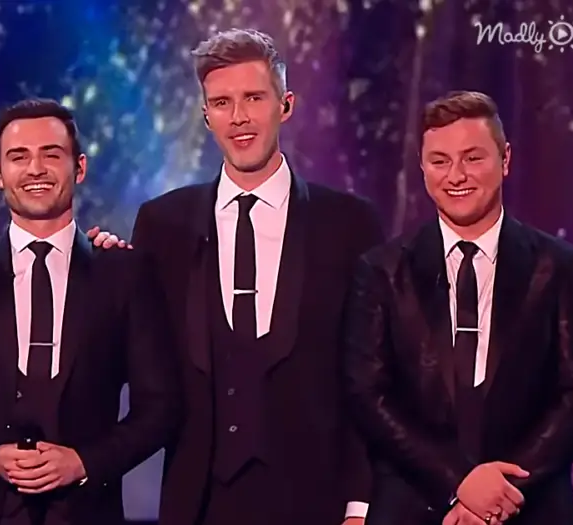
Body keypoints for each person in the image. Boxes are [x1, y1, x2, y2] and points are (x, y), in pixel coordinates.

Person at [129, 29, 383, 525]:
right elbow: (132, 348)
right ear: (206, 116)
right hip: (197, 503)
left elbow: (370, 376)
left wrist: (360, 504)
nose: (239, 117)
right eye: (222, 103)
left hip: (317, 503)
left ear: (285, 106)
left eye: (253, 98)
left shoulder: (350, 224)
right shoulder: (162, 225)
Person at [0, 97, 181, 525]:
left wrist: (85, 463)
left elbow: (161, 405)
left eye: (51, 154)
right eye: (19, 157)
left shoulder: (125, 273)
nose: (35, 169)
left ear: (79, 168)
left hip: (88, 513)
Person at [341, 90, 573, 525]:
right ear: (422, 167)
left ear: (505, 159)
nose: (456, 175)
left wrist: (498, 493)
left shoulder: (559, 266)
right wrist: (457, 483)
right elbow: (369, 396)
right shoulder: (381, 270)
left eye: (472, 158)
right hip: (415, 508)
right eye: (440, 160)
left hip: (531, 508)